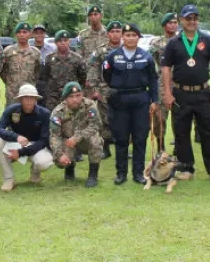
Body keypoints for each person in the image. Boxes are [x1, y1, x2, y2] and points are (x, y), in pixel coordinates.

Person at [161, 4, 210, 182]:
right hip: (181, 93)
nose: (192, 21)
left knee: (209, 131)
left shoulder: (207, 40)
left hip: (203, 92)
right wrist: (167, 93)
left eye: (195, 18)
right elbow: (166, 68)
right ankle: (186, 168)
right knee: (181, 132)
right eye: (188, 18)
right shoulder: (174, 43)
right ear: (181, 20)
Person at [103, 23, 158, 185]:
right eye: (127, 35)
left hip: (141, 99)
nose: (131, 38)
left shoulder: (146, 57)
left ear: (138, 38)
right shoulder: (113, 56)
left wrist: (154, 100)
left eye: (134, 35)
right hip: (120, 100)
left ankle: (138, 173)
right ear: (122, 37)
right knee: (121, 138)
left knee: (140, 138)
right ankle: (121, 174)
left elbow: (153, 80)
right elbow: (106, 75)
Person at [0, 84, 54, 192]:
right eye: (26, 98)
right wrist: (16, 136)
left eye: (32, 98)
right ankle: (9, 179)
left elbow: (43, 141)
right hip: (17, 143)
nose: (29, 101)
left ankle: (35, 171)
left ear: (36, 99)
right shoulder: (12, 110)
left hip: (36, 146)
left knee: (44, 163)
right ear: (20, 99)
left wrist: (21, 152)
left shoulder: (44, 114)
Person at [49, 82, 105, 188]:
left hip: (85, 141)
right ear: (65, 98)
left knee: (95, 140)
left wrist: (77, 137)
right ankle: (69, 169)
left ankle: (93, 175)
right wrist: (59, 154)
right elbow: (54, 135)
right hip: (68, 143)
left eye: (78, 95)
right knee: (61, 158)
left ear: (82, 94)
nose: (75, 99)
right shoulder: (58, 112)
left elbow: (96, 125)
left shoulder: (90, 105)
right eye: (71, 97)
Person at [85, 20, 123, 160]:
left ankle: (123, 146)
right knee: (105, 119)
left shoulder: (127, 49)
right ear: (108, 34)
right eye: (112, 32)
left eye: (118, 31)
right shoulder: (101, 51)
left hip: (124, 89)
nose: (115, 34)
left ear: (122, 33)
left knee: (123, 119)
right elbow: (93, 70)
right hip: (104, 89)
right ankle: (105, 147)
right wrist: (94, 90)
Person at [148, 12, 178, 152]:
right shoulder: (156, 43)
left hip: (180, 81)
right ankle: (161, 147)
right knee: (160, 116)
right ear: (164, 25)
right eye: (170, 22)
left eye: (175, 22)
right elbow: (150, 62)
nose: (173, 25)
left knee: (180, 116)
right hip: (161, 82)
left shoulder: (183, 40)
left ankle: (179, 147)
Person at [41, 30, 87, 111]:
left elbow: (82, 78)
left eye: (65, 40)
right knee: (53, 121)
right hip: (53, 98)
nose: (63, 43)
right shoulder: (49, 58)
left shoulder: (77, 58)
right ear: (55, 42)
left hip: (71, 97)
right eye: (60, 41)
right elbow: (45, 77)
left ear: (69, 42)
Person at [0, 22, 42, 107]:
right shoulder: (8, 51)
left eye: (25, 32)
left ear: (30, 34)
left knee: (30, 117)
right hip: (12, 93)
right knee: (12, 117)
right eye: (19, 32)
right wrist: (10, 82)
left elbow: (37, 71)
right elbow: (2, 70)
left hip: (29, 93)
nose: (22, 35)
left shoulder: (36, 53)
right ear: (16, 34)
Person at [32, 24, 57, 99]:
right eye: (37, 33)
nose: (39, 35)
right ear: (33, 34)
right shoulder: (30, 49)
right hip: (33, 83)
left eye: (41, 33)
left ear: (44, 34)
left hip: (48, 83)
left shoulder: (52, 49)